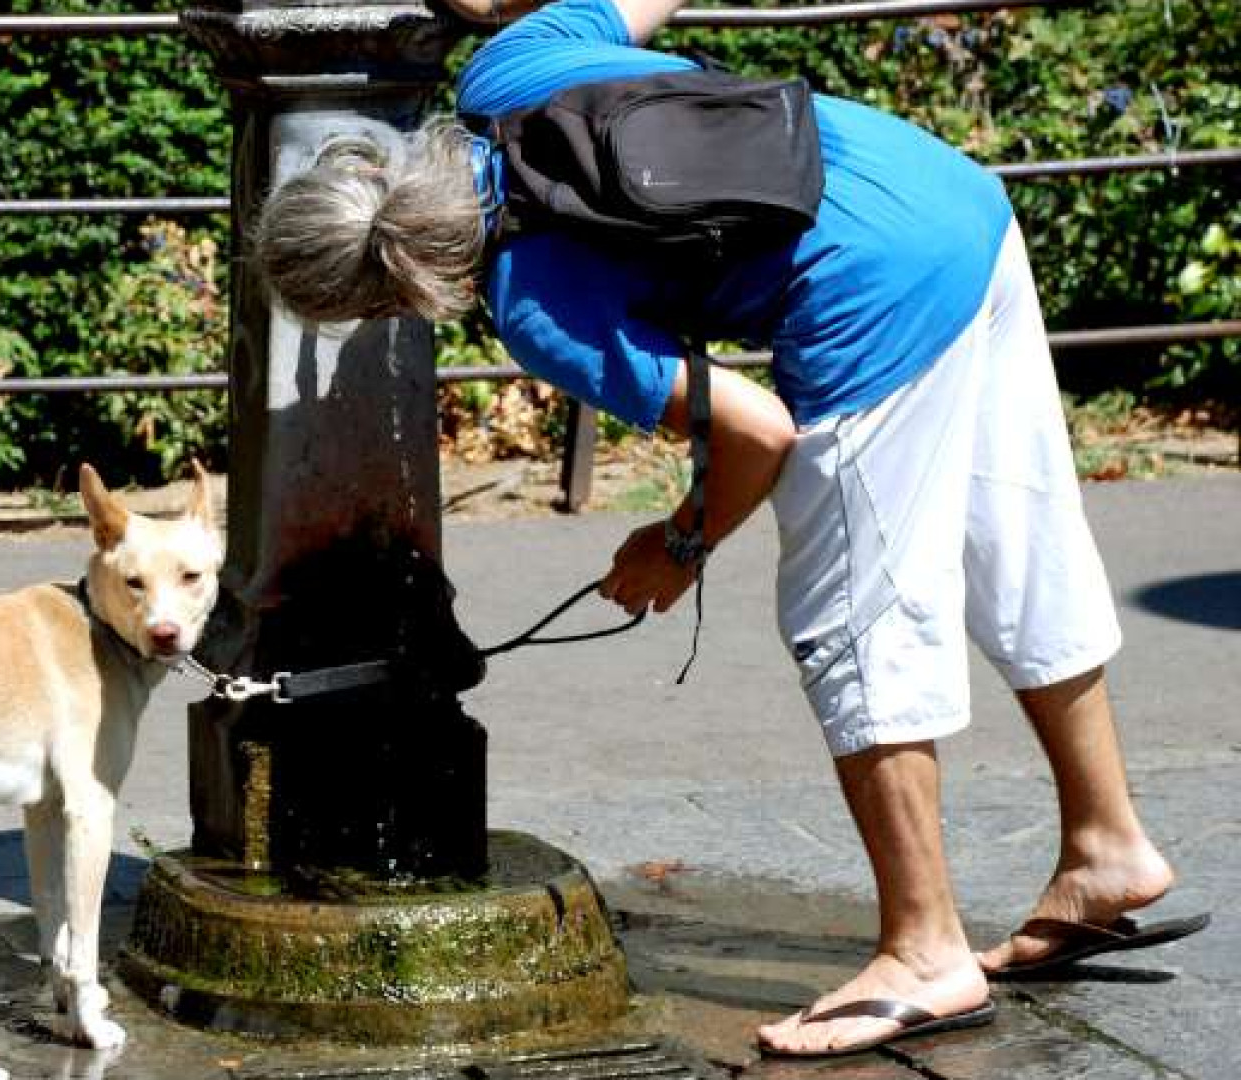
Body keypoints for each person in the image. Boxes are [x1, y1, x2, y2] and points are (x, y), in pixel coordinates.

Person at [250, 0, 1205, 1059]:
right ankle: (1105, 845)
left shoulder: (533, 304)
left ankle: (924, 951)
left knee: (851, 617)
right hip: (954, 201)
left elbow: (759, 431)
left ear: (404, 291)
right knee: (1017, 546)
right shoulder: (511, 64)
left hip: (871, 299)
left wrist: (681, 542)